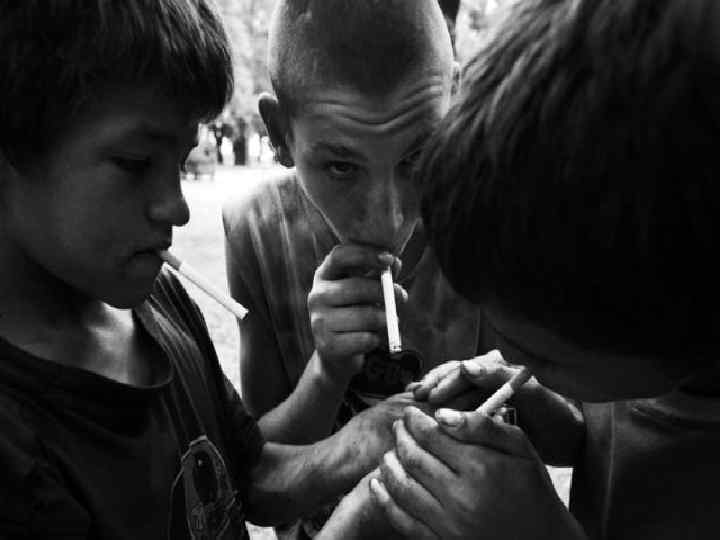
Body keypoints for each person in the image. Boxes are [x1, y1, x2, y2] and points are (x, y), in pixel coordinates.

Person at [0, 2, 429, 538]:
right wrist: (365, 510)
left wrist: (371, 438)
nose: (176, 208)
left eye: (180, 162)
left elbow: (249, 475)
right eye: (136, 163)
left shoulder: (159, 301)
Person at [359, 0, 720, 539]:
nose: (508, 358)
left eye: (544, 356)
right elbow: (618, 437)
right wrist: (548, 413)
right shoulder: (635, 326)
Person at [222, 0, 490, 536]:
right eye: (341, 166)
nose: (387, 219)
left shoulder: (484, 223)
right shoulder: (257, 231)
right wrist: (326, 373)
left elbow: (556, 428)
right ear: (279, 132)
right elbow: (258, 473)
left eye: (418, 157)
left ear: (454, 100)